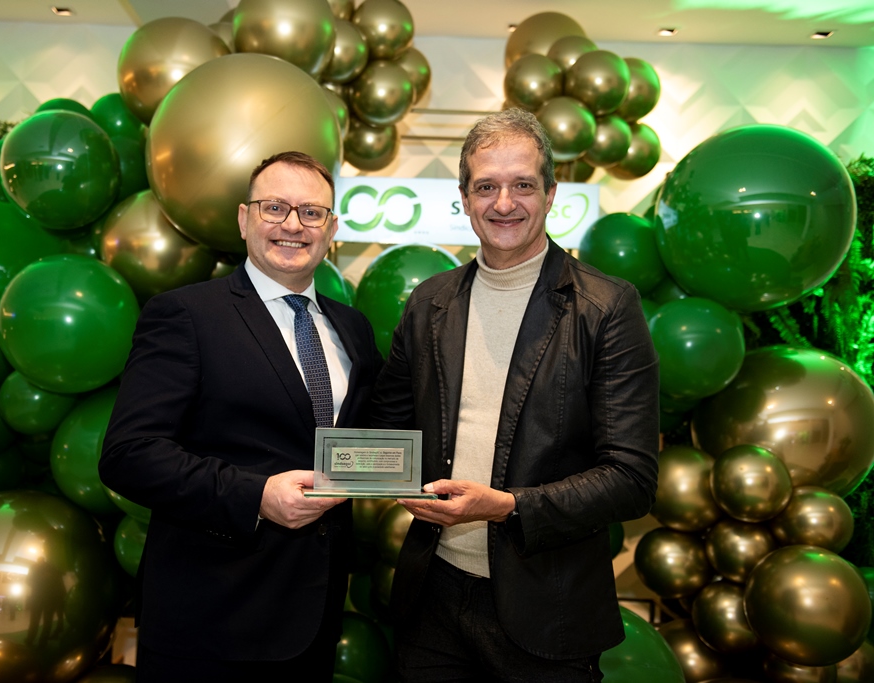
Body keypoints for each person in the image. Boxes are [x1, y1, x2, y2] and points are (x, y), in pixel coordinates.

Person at [370, 108, 659, 682]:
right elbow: (389, 429)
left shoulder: (606, 308)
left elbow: (631, 479)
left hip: (548, 610)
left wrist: (507, 506)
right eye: (486, 187)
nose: (504, 203)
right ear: (464, 198)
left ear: (550, 195)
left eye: (523, 185)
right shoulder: (429, 303)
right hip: (432, 601)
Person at [100, 151, 382, 681]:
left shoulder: (353, 329)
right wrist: (256, 497)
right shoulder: (186, 314)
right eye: (275, 207)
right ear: (243, 218)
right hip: (211, 626)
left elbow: (364, 442)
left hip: (315, 623)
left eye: (312, 212)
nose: (293, 225)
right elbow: (129, 455)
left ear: (331, 229)